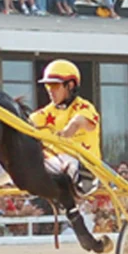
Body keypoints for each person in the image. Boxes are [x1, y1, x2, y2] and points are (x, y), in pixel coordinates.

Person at [30, 60, 100, 196]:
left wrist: (69, 130)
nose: (50, 90)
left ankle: (83, 180)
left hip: (85, 167)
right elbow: (26, 124)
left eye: (55, 85)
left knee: (68, 162)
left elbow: (80, 121)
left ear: (70, 85)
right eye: (47, 85)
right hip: (57, 167)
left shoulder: (84, 107)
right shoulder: (44, 114)